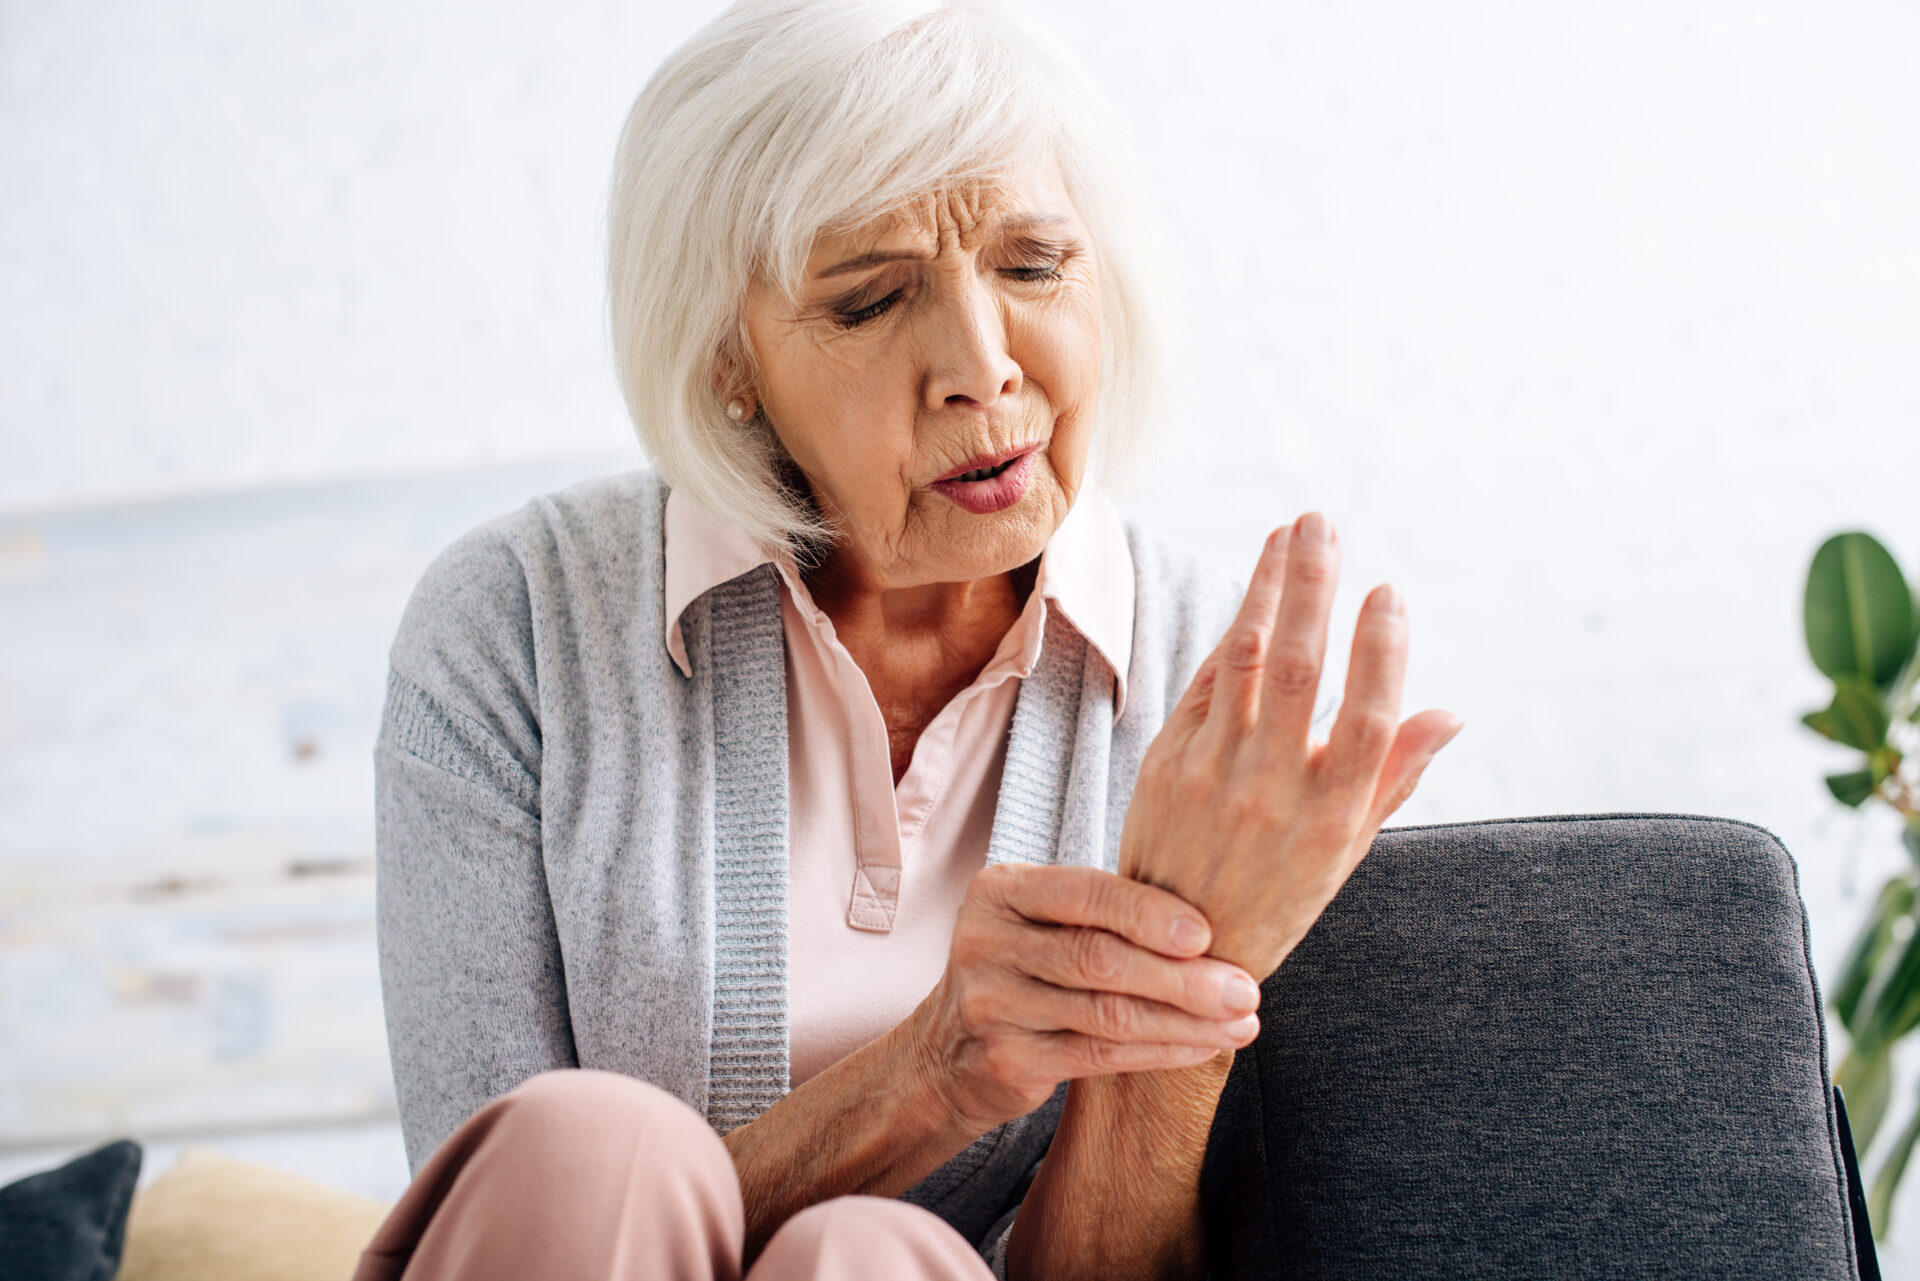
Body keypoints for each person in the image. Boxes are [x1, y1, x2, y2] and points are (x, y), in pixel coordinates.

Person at [357, 2, 1462, 1278]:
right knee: (588, 1146)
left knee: (868, 1260)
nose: (984, 370)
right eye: (874, 299)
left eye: (1035, 266)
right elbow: (494, 1222)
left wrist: (1173, 1017)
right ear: (731, 359)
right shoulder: (517, 628)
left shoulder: (1221, 692)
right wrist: (935, 1069)